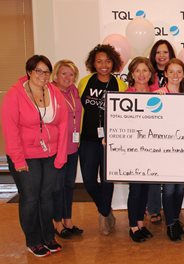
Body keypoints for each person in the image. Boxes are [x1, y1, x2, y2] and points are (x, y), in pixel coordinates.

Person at [2, 55, 68, 257]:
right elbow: (10, 129)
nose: (43, 75)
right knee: (30, 199)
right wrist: (18, 160)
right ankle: (33, 240)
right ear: (29, 72)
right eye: (38, 71)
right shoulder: (15, 95)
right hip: (25, 156)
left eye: (46, 71)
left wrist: (61, 154)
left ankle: (48, 237)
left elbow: (64, 124)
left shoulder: (55, 93)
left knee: (46, 198)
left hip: (49, 154)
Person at [78, 44, 127, 236]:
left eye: (107, 60)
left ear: (113, 62)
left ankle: (103, 215)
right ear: (93, 63)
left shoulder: (119, 85)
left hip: (111, 141)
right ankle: (106, 211)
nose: (103, 65)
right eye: (99, 61)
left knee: (107, 180)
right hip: (88, 140)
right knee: (89, 181)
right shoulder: (84, 82)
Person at [156, 58, 184, 241]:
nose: (175, 75)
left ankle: (176, 220)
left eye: (179, 71)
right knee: (169, 189)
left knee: (180, 189)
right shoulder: (158, 95)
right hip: (166, 151)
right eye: (171, 72)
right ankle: (170, 224)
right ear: (165, 74)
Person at [125, 57, 158, 242]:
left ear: (150, 73)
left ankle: (140, 222)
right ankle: (132, 226)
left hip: (151, 149)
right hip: (132, 150)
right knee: (135, 188)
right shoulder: (126, 95)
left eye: (145, 70)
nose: (141, 74)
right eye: (137, 70)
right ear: (131, 74)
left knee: (145, 188)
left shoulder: (157, 94)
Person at [50, 60, 83, 239]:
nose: (68, 77)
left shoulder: (74, 91)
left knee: (69, 185)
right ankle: (56, 222)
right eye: (64, 73)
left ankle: (67, 220)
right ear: (56, 75)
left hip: (73, 146)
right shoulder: (50, 92)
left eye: (71, 74)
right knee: (57, 186)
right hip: (57, 147)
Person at [147, 40, 177, 225]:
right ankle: (153, 208)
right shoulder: (148, 75)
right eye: (158, 52)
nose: (162, 55)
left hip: (172, 130)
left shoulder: (177, 74)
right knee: (153, 173)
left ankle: (171, 210)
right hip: (153, 128)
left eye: (165, 52)